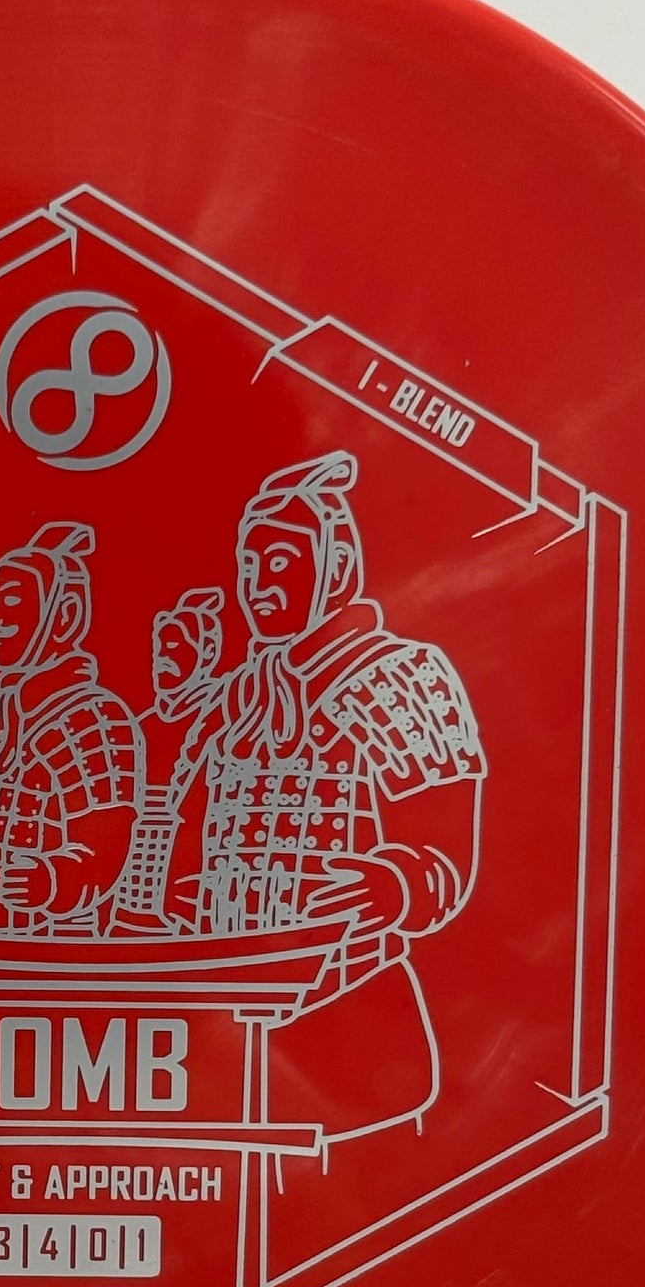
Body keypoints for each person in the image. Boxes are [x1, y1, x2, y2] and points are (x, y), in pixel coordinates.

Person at [192, 451, 485, 1136]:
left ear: (337, 564)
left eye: (280, 563)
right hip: (233, 1033)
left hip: (356, 1024)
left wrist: (394, 885)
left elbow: (446, 853)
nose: (259, 586)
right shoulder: (240, 697)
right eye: (249, 566)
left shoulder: (400, 677)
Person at [0, 521, 141, 936]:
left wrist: (55, 880)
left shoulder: (93, 720)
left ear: (64, 616)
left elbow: (105, 845)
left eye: (10, 601)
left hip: (50, 942)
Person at [109, 586, 228, 933]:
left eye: (174, 646)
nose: (162, 657)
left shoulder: (223, 719)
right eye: (158, 648)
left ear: (207, 652)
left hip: (190, 903)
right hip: (127, 898)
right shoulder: (138, 728)